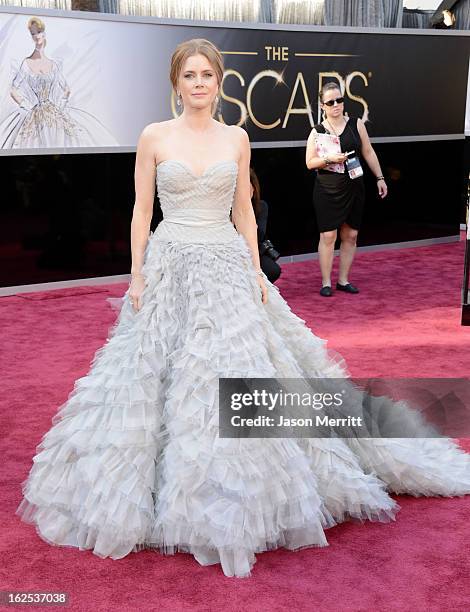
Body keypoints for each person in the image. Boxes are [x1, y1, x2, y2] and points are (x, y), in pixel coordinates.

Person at [16, 39, 470, 579]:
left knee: (237, 371)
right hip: (169, 269)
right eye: (190, 75)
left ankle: (241, 490)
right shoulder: (154, 136)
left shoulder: (237, 138)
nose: (200, 83)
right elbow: (141, 211)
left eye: (208, 74)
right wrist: (136, 275)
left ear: (220, 80)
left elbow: (246, 216)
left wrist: (256, 270)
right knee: (154, 378)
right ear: (176, 82)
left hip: (228, 266)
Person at [306, 82, 387, 297]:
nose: (336, 105)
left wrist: (380, 177)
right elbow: (309, 162)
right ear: (322, 105)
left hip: (354, 185)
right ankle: (326, 282)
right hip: (327, 188)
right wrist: (328, 159)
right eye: (330, 102)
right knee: (328, 235)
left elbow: (368, 152)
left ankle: (343, 280)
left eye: (339, 100)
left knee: (351, 234)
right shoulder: (318, 131)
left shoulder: (356, 124)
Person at [0, 17, 116, 149]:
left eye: (38, 31)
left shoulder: (53, 65)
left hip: (54, 111)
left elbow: (66, 89)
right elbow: (13, 90)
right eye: (33, 33)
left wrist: (60, 105)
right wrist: (25, 105)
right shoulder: (26, 63)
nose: (36, 36)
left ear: (43, 32)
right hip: (35, 113)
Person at [250, 167, 281, 283]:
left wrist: (247, 209)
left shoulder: (261, 206)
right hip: (234, 249)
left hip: (254, 249)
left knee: (273, 270)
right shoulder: (229, 208)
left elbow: (260, 235)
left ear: (254, 188)